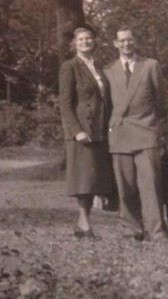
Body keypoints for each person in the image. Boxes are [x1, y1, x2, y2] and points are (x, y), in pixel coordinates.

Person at [104, 26, 168, 243]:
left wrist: (153, 123)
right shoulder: (108, 71)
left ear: (135, 41)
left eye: (130, 40)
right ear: (115, 44)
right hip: (120, 133)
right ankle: (131, 229)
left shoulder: (150, 65)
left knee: (150, 184)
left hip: (146, 131)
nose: (126, 44)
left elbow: (161, 100)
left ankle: (157, 231)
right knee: (125, 185)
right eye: (121, 41)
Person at [58, 26, 115, 239]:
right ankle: (84, 224)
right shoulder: (69, 66)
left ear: (94, 42)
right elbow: (64, 103)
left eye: (89, 38)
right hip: (82, 131)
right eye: (81, 39)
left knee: (93, 178)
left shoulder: (98, 67)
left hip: (99, 129)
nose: (85, 42)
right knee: (84, 178)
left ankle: (83, 225)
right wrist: (76, 131)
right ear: (74, 43)